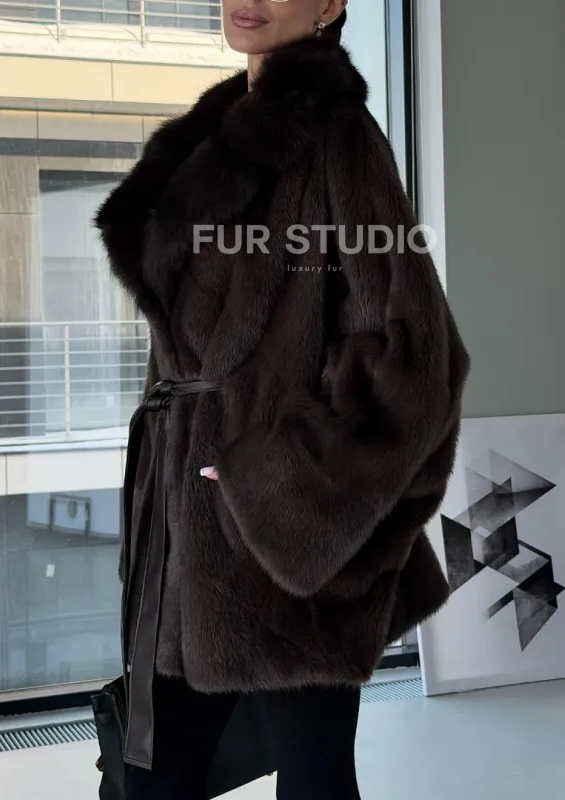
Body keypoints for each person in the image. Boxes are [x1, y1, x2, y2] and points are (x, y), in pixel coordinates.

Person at [96, 0, 470, 798]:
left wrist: (273, 479)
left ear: (331, 3)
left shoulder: (338, 135)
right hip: (183, 532)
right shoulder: (206, 139)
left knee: (313, 781)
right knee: (152, 775)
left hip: (285, 542)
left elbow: (414, 356)